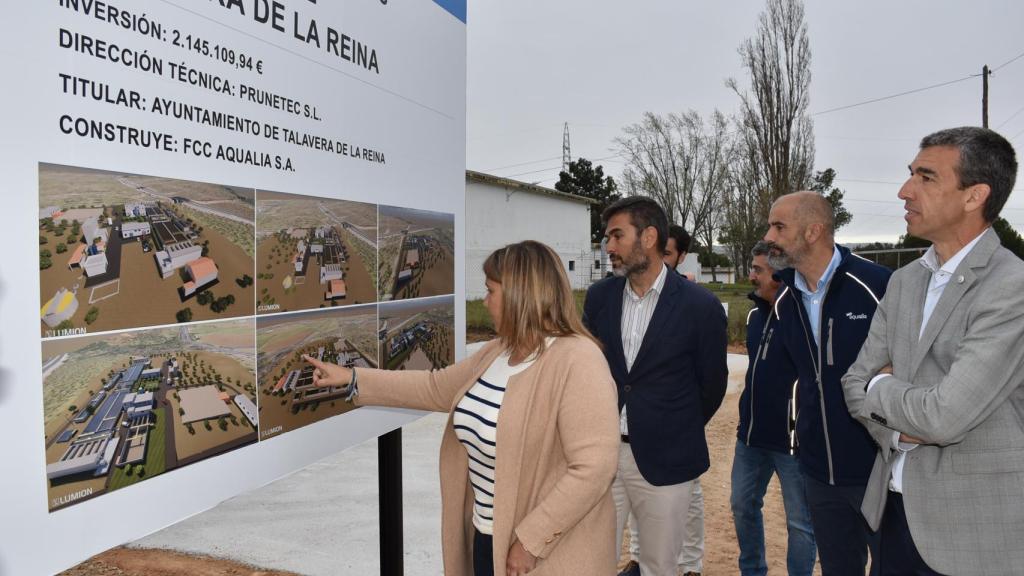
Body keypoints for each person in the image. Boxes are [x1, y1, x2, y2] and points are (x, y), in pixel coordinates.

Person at [305, 240, 620, 576]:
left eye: (490, 291)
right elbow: (435, 387)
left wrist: (530, 542)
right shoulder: (497, 352)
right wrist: (352, 378)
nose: (485, 302)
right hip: (486, 538)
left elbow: (594, 468)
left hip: (544, 555)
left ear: (519, 295)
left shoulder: (578, 359)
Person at [842, 127, 1024, 575]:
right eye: (910, 175)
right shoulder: (904, 281)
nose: (906, 191)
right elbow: (850, 383)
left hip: (973, 532)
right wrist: (904, 429)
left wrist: (881, 386)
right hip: (891, 518)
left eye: (926, 177)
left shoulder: (1011, 286)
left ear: (974, 195)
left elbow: (945, 417)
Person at [583, 197, 728, 576]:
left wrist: (672, 427)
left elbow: (711, 386)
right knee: (592, 560)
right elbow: (588, 370)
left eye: (617, 235)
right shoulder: (600, 298)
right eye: (607, 237)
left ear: (648, 237)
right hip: (603, 457)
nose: (609, 246)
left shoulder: (700, 306)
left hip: (667, 461)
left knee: (660, 566)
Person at [764, 191, 890, 575]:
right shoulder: (784, 299)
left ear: (813, 231)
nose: (769, 236)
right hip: (819, 472)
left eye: (779, 226)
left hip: (877, 469)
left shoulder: (877, 285)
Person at [621, 222, 706, 576]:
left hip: (672, 439)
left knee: (685, 508)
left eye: (668, 254)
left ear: (681, 257)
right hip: (624, 437)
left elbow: (709, 383)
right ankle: (639, 560)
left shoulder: (693, 304)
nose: (661, 260)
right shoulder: (613, 297)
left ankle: (689, 567)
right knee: (641, 512)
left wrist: (678, 420)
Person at [730, 241, 816, 576]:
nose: (751, 276)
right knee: (742, 505)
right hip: (750, 437)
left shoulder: (805, 317)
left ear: (780, 276)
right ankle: (753, 571)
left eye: (758, 270)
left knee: (800, 523)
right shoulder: (753, 317)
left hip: (793, 444)